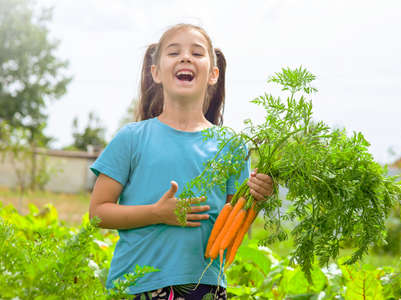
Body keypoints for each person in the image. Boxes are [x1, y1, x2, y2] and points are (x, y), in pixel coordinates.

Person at [89, 23, 273, 299]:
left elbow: (235, 224)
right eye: (174, 52)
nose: (185, 57)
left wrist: (256, 196)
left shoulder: (232, 145)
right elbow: (97, 213)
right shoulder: (131, 138)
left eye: (197, 53)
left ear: (213, 74)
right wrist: (156, 213)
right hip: (136, 285)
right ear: (156, 73)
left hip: (205, 284)